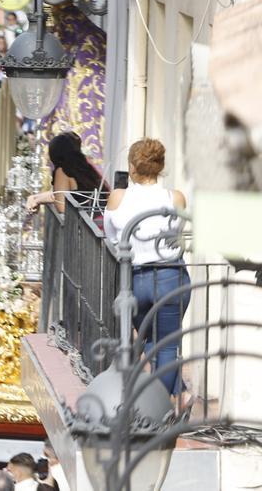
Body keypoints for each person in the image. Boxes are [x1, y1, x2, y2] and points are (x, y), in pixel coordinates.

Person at [105, 138, 189, 396]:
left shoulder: (118, 198)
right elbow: (178, 231)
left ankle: (143, 400)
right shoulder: (175, 197)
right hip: (170, 276)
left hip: (135, 280)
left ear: (132, 167)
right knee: (165, 346)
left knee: (149, 340)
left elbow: (111, 237)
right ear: (160, 166)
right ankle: (162, 407)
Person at [26, 132, 106, 212]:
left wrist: (38, 199)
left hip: (86, 221)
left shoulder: (63, 170)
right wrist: (36, 198)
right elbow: (59, 194)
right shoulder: (85, 167)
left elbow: (61, 206)